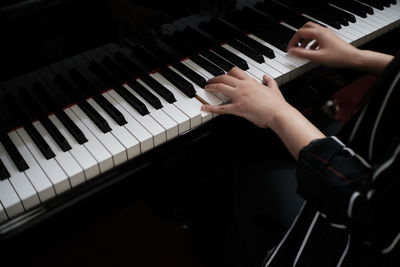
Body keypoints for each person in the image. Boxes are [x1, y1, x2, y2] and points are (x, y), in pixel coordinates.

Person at [201, 21, 400, 267]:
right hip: (377, 146)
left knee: (253, 170)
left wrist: (278, 112)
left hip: (354, 243)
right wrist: (358, 57)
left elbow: (370, 212)